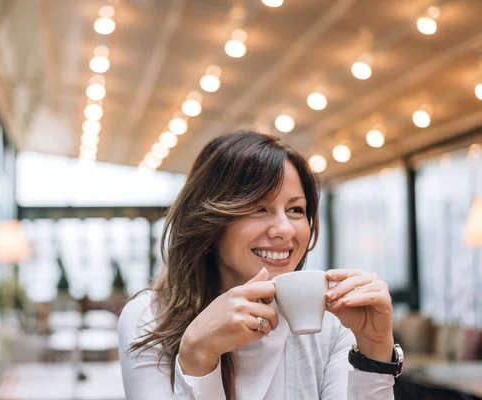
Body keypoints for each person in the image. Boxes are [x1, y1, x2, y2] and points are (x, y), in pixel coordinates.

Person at [118, 131, 401, 399]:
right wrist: (197, 356)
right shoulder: (151, 319)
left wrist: (375, 350)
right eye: (258, 208)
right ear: (208, 222)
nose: (285, 230)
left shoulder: (333, 323)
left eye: (295, 210)